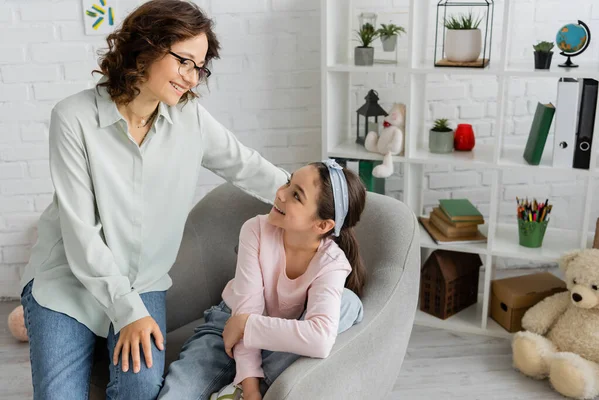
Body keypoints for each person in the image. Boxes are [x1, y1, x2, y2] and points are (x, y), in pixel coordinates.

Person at [19, 1, 290, 399]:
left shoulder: (189, 118)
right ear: (146, 47)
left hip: (142, 280)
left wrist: (318, 199)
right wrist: (127, 314)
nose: (191, 79)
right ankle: (32, 318)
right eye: (184, 61)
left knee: (140, 389)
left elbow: (246, 166)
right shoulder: (73, 117)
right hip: (68, 281)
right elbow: (80, 236)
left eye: (199, 68)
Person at [158, 160, 367, 400]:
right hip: (227, 325)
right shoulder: (256, 230)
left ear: (322, 225)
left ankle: (235, 391)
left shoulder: (332, 263)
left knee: (348, 303)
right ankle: (241, 387)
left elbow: (319, 341)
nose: (280, 193)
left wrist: (247, 326)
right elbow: (245, 310)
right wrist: (250, 389)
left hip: (276, 339)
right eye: (288, 183)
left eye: (296, 195)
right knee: (176, 393)